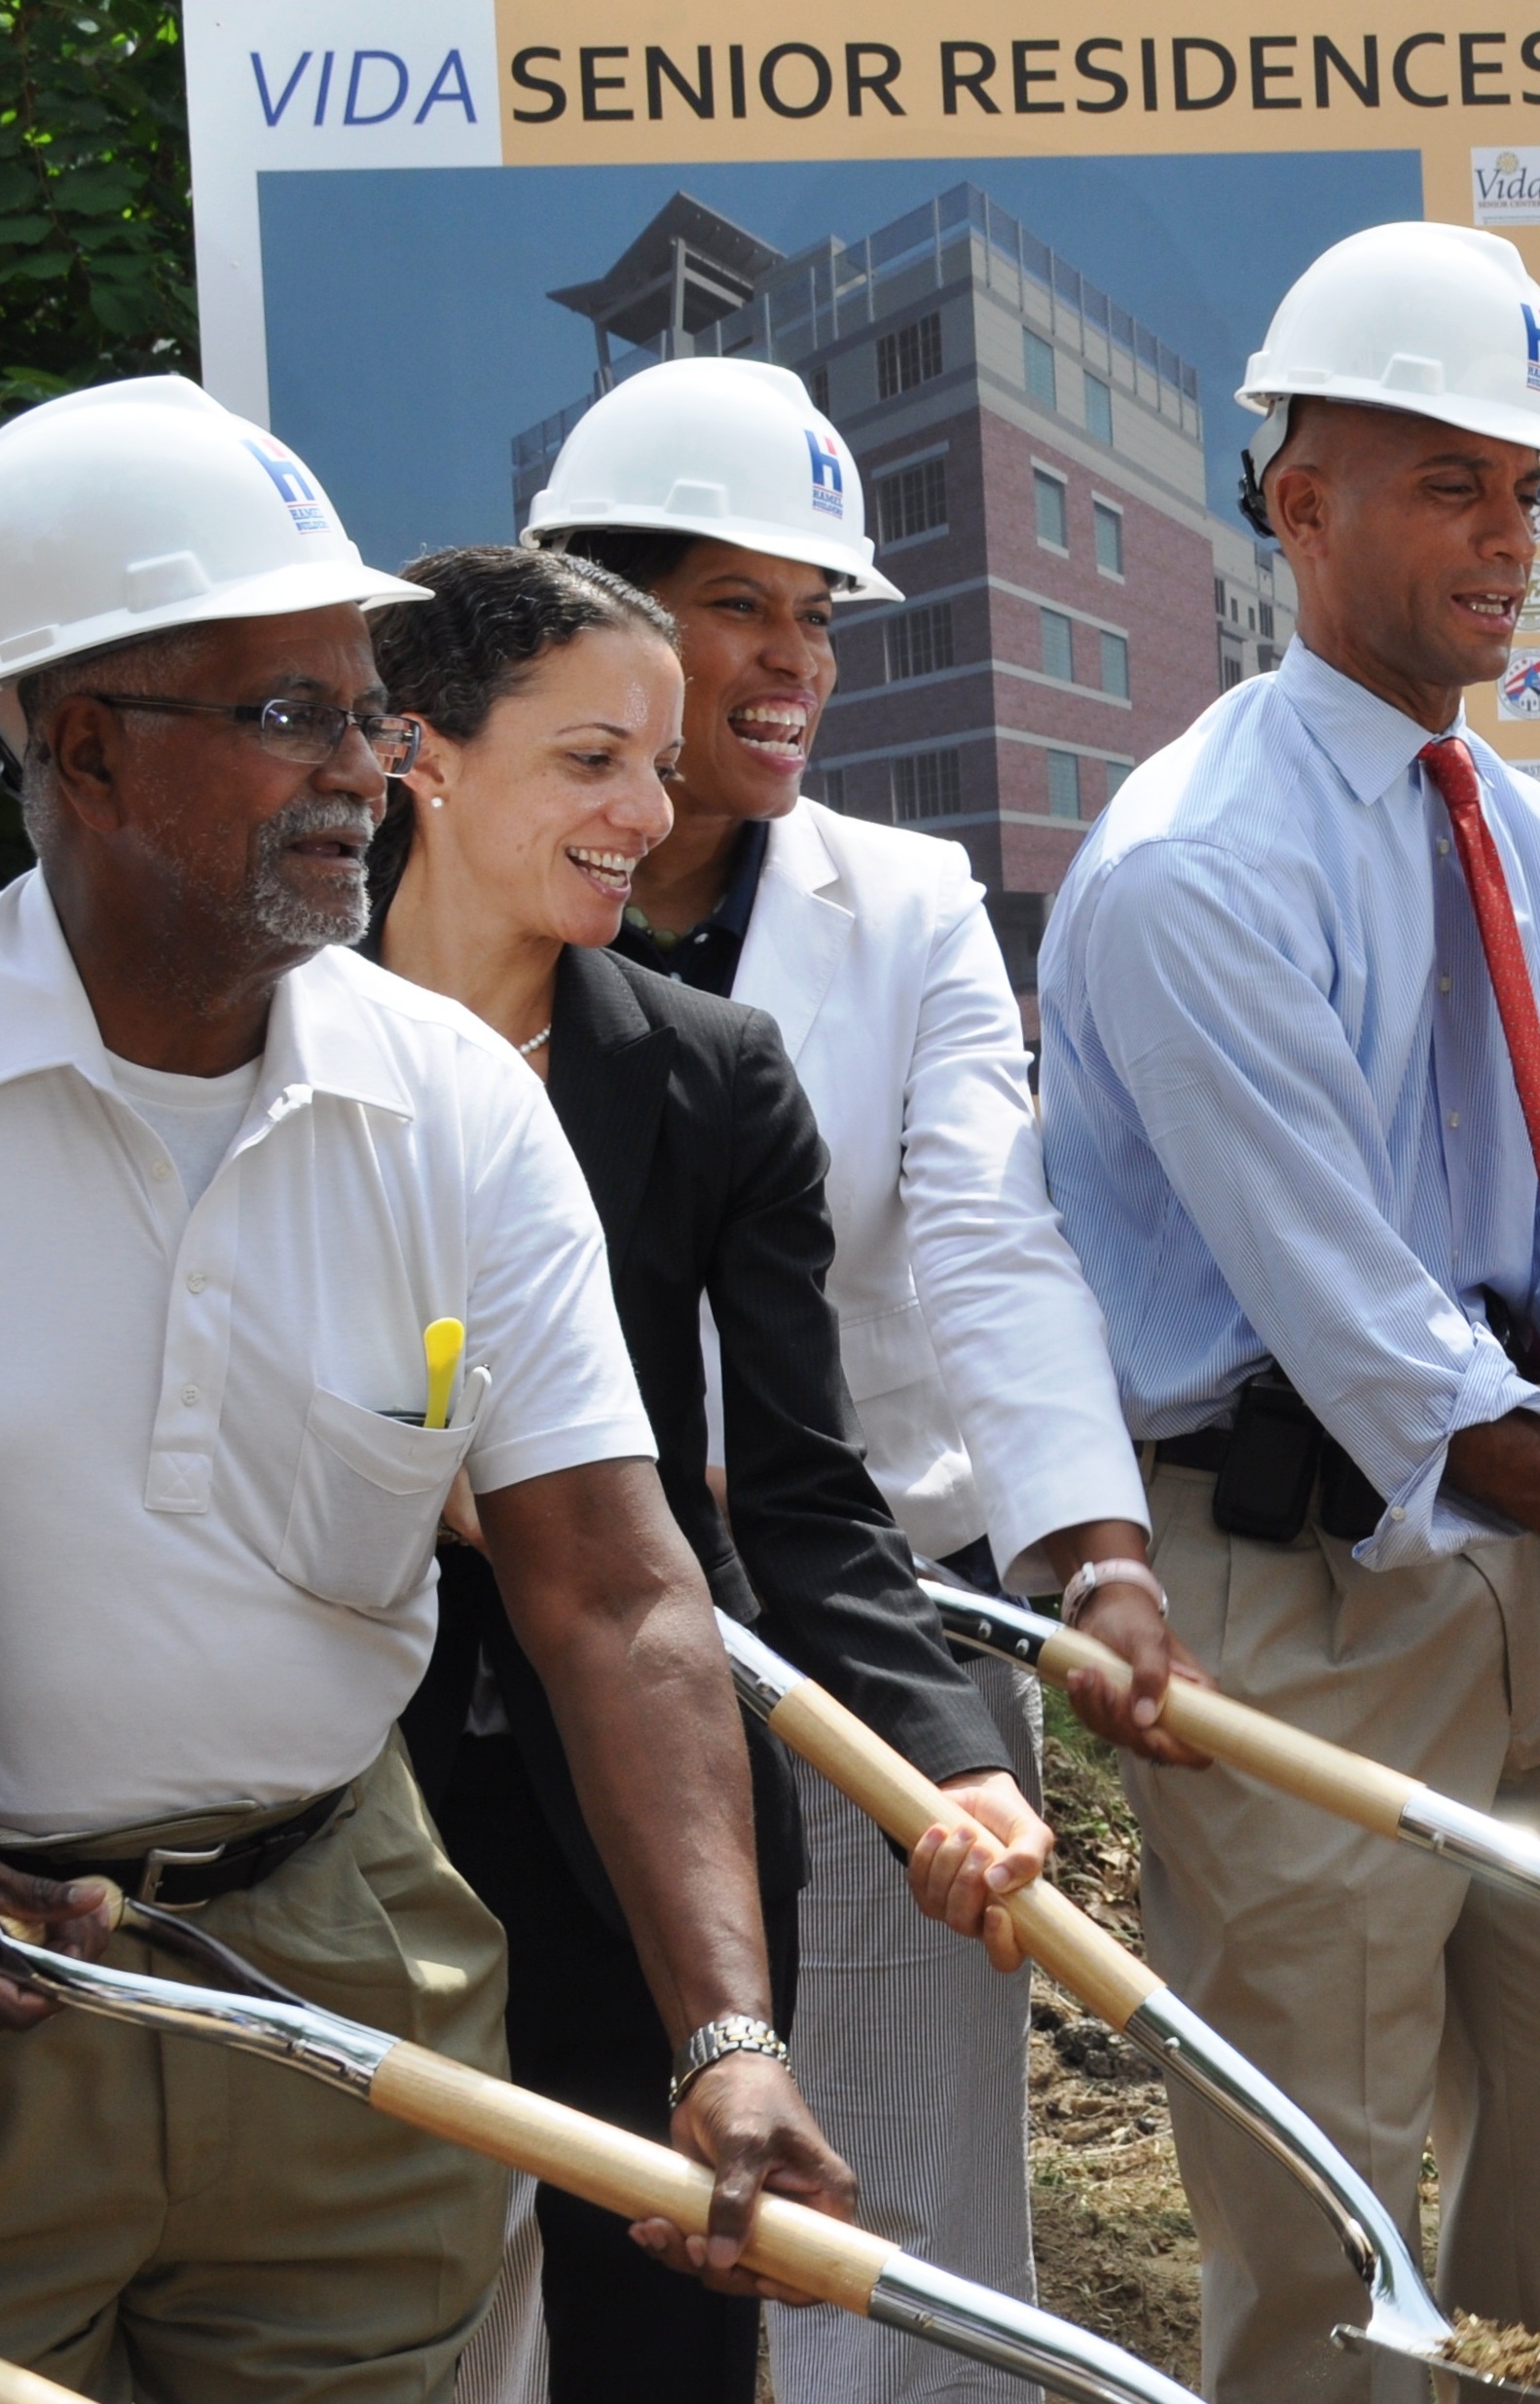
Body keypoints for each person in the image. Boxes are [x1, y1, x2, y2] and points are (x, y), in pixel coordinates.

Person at [1036, 220, 1540, 2404]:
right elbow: (1371, 1338)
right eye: (1449, 480)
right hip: (1295, 1587)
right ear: (1297, 500)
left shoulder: (1524, 834)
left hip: (1538, 1573)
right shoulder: (1201, 861)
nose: (1509, 536)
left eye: (1530, 489)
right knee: (1324, 2210)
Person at [0, 378, 839, 2399]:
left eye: (364, 707)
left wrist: (721, 2028)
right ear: (84, 746)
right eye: (284, 713)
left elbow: (618, 1592)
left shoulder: (453, 1104)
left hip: (343, 1948)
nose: (361, 772)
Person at [524, 356, 1166, 2401]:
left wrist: (1093, 1542)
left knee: (906, 2191)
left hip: (868, 1625)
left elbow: (989, 1232)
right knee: (605, 2172)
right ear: (599, 615)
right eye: (742, 605)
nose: (796, 661)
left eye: (821, 614)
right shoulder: (453, 915)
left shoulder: (898, 911)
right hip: (544, 1650)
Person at [368, 545, 1044, 2404]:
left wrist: (949, 1760)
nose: (645, 815)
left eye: (660, 768)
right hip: (344, 1799)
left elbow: (809, 1492)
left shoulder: (715, 1073)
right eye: (595, 760)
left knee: (655, 2333)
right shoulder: (268, 1038)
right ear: (420, 754)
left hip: (648, 1819)